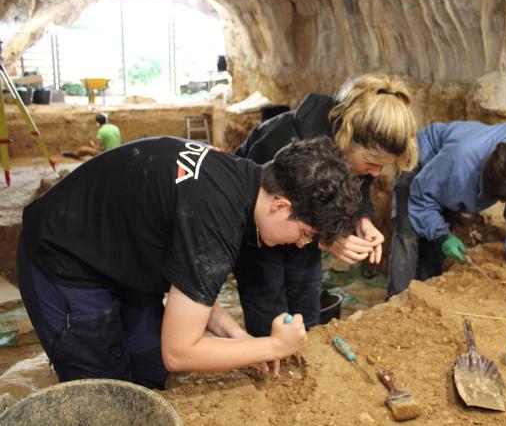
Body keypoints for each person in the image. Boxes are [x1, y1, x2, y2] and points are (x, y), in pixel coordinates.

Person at [17, 136, 361, 389]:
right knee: (106, 390)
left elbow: (194, 285)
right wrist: (271, 345)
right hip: (64, 257)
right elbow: (179, 352)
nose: (301, 245)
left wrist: (240, 340)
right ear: (280, 206)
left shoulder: (239, 181)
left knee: (148, 367)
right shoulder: (215, 219)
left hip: (119, 252)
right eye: (304, 233)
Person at [234, 74, 419, 337]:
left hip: (305, 237)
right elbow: (256, 214)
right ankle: (272, 366)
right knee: (269, 307)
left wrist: (362, 221)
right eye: (371, 162)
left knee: (307, 299)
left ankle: (308, 365)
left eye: (383, 166)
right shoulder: (279, 142)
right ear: (347, 137)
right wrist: (327, 239)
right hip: (259, 240)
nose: (376, 173)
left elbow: (359, 189)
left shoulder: (354, 155)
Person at [387, 121, 506, 297]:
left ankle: (424, 291)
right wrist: (443, 235)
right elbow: (421, 197)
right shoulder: (459, 165)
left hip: (450, 175)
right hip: (420, 163)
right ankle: (397, 299)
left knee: (433, 247)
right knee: (407, 235)